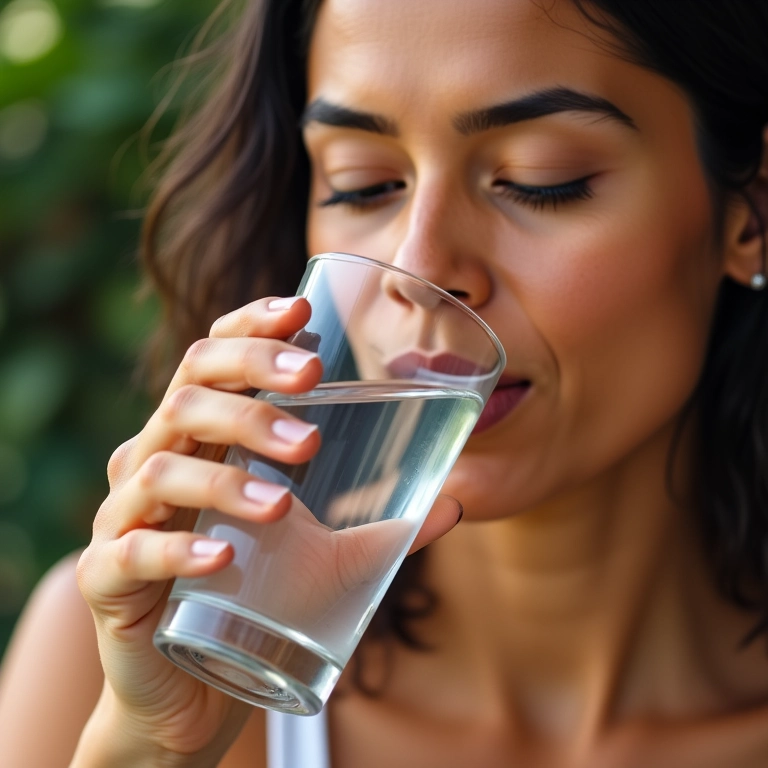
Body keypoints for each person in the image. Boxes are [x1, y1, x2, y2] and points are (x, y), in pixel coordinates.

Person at [2, 0, 768, 764]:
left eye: (541, 180)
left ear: (751, 215)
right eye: (362, 185)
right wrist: (153, 752)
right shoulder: (115, 657)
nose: (420, 267)